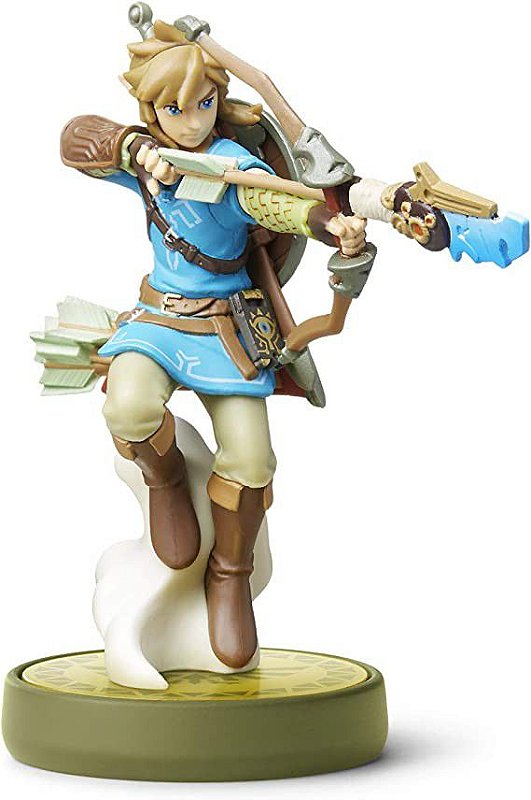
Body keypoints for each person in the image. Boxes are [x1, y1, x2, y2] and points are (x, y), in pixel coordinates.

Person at [60, 19, 366, 668]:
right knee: (127, 407)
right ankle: (166, 479)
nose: (193, 121)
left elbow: (279, 207)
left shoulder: (236, 167)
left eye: (203, 104)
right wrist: (130, 146)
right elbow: (73, 139)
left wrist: (328, 223)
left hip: (226, 330)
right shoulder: (150, 159)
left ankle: (229, 573)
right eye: (175, 109)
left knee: (252, 462)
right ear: (154, 111)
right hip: (158, 320)